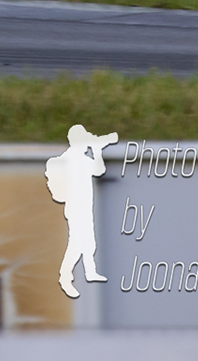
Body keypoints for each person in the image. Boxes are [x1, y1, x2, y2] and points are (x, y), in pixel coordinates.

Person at [45, 124, 121, 298]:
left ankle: (90, 271)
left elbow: (99, 170)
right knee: (76, 244)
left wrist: (97, 151)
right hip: (76, 207)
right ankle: (65, 277)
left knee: (89, 242)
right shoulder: (72, 159)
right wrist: (97, 149)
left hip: (84, 206)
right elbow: (99, 170)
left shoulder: (81, 158)